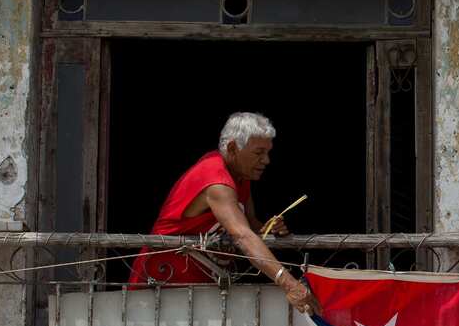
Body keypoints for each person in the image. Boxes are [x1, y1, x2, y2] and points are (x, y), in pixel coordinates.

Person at [127, 112, 320, 315]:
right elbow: (242, 235)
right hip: (158, 291)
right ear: (233, 148)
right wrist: (289, 283)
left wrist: (269, 228)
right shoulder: (216, 180)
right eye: (259, 153)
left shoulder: (240, 176)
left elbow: (250, 225)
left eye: (268, 152)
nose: (266, 160)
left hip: (200, 292)